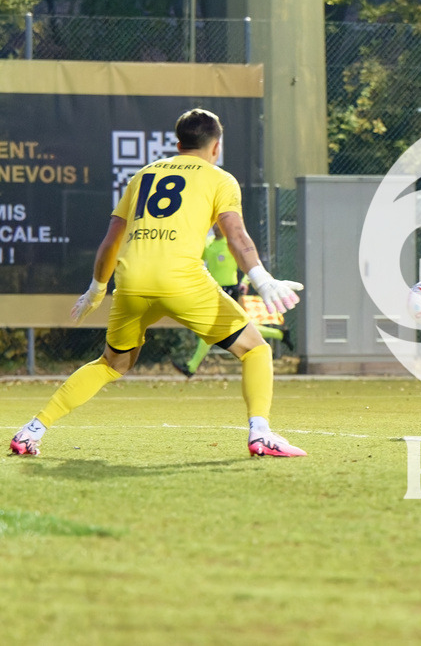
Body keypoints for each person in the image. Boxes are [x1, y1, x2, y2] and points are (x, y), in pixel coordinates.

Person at [10, 108, 307, 457]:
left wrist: (96, 289)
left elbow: (111, 242)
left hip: (131, 281)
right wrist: (262, 278)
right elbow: (236, 236)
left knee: (112, 364)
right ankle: (260, 434)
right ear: (216, 147)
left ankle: (32, 430)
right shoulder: (219, 178)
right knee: (255, 348)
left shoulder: (142, 175)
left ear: (178, 143)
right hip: (182, 282)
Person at [173, 224, 293, 379]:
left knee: (212, 327)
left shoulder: (230, 243)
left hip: (230, 289)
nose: (217, 227)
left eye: (219, 225)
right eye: (214, 225)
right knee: (235, 326)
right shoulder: (208, 243)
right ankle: (280, 334)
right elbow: (196, 262)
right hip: (213, 289)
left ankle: (191, 367)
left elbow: (247, 262)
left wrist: (244, 281)